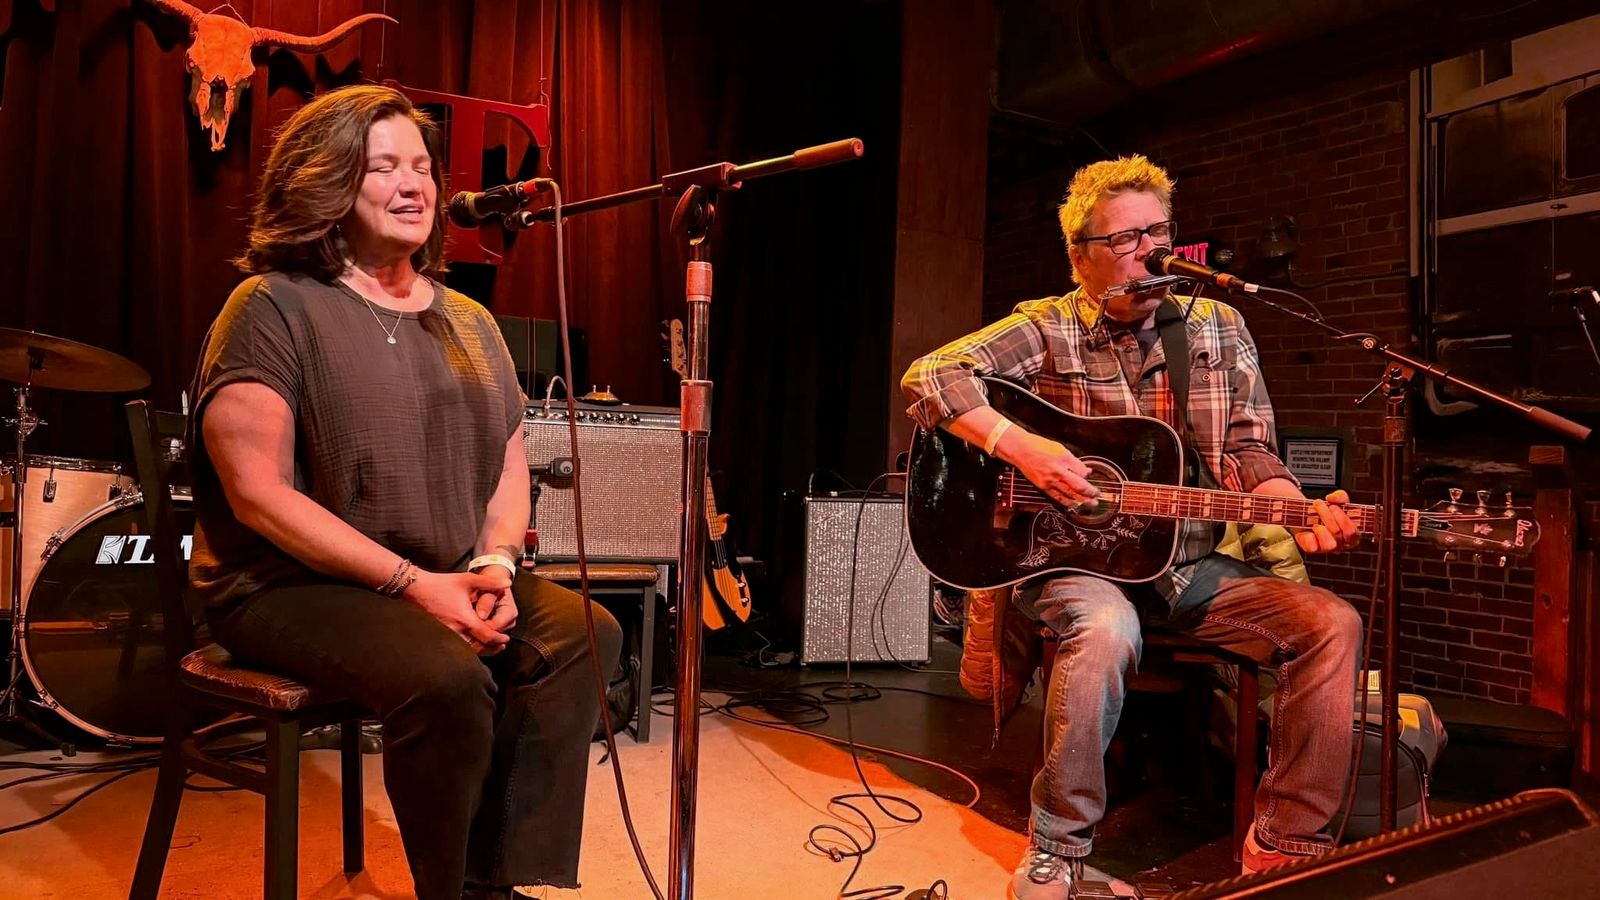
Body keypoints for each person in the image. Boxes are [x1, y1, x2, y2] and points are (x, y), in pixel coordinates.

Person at [186, 84, 621, 900]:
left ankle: (492, 883)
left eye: (422, 167)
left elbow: (509, 466)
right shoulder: (272, 306)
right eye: (384, 167)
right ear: (325, 182)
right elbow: (258, 495)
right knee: (445, 676)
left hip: (443, 571)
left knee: (583, 634)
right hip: (286, 587)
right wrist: (415, 586)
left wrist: (494, 563)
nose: (415, 185)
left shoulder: (471, 321)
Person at [901, 155, 1361, 899]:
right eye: (1124, 240)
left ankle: (1285, 845)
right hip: (1074, 563)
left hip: (1187, 567)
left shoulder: (1217, 327)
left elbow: (1248, 449)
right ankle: (1056, 852)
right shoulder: (1046, 327)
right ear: (1080, 255)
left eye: (1159, 233)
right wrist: (1025, 449)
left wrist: (1294, 506)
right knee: (1107, 629)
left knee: (1331, 624)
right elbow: (930, 375)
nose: (1151, 253)